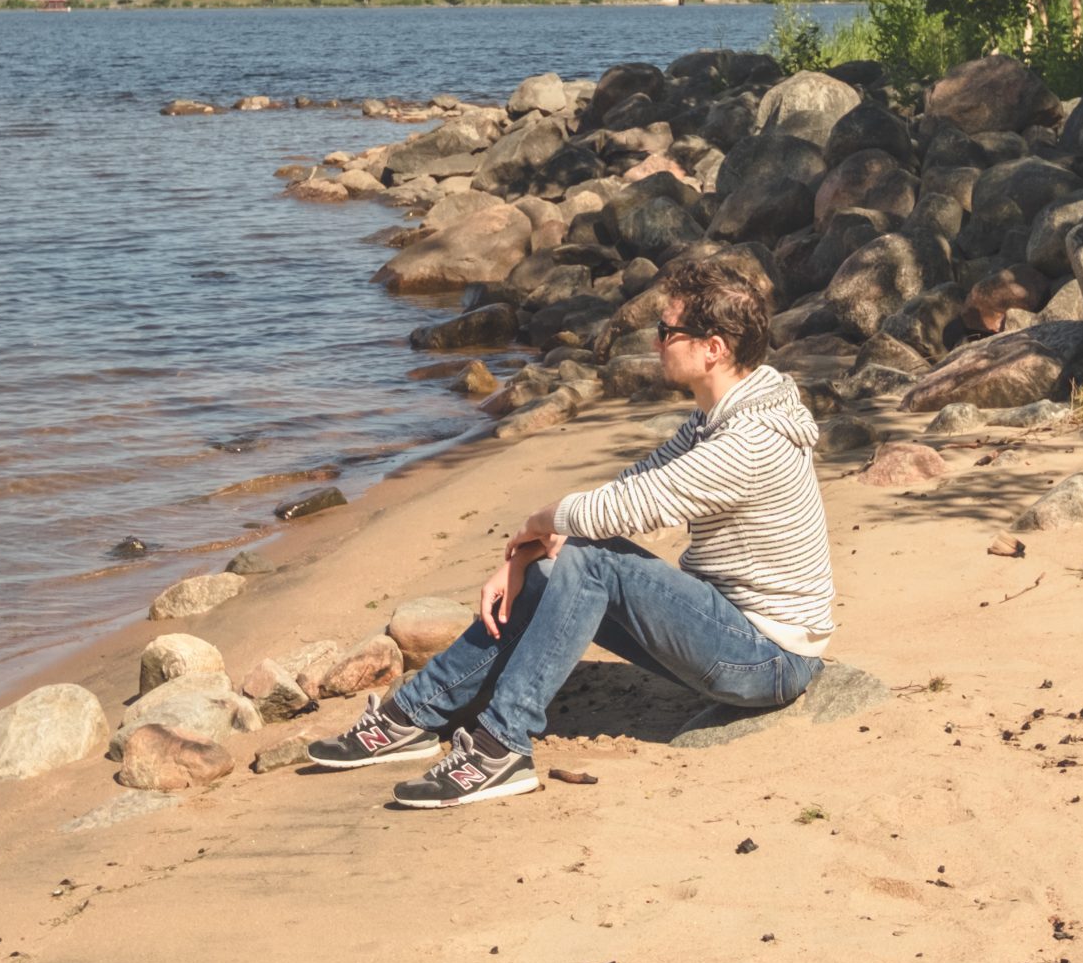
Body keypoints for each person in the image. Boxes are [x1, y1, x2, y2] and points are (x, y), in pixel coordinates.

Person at [307, 255, 836, 807]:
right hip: (727, 630)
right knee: (560, 562)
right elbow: (631, 484)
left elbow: (629, 507)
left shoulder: (751, 441)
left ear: (713, 348)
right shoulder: (715, 420)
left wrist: (535, 525)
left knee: (588, 557)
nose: (655, 343)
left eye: (666, 331)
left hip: (768, 659)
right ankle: (413, 715)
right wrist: (519, 561)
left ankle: (501, 746)